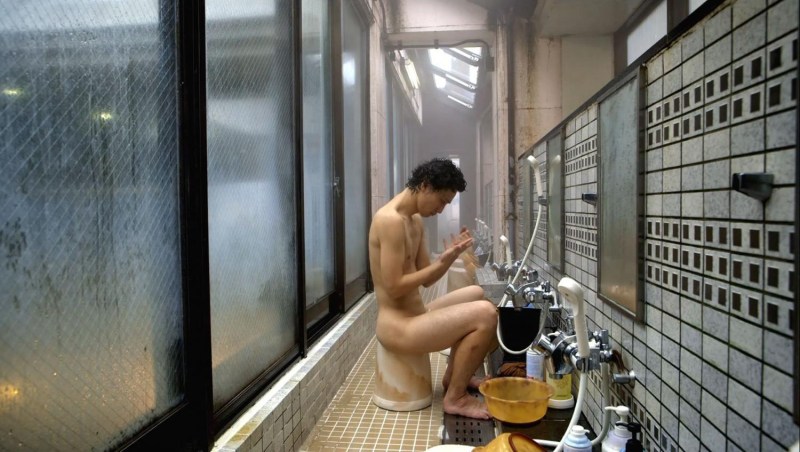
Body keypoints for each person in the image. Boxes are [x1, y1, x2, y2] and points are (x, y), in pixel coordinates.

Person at [368, 157, 498, 419]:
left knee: (478, 294)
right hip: (397, 326)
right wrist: (441, 261)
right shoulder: (390, 221)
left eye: (446, 204)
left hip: (417, 313)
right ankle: (456, 399)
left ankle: (454, 378)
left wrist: (449, 257)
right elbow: (394, 288)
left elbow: (427, 279)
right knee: (486, 315)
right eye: (441, 201)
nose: (441, 210)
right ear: (425, 186)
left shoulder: (414, 221)